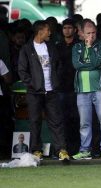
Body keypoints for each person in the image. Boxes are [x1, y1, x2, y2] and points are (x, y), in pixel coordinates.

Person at [18, 20, 70, 161]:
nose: (50, 32)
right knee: (35, 122)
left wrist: (56, 81)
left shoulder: (51, 47)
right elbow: (22, 71)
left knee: (56, 121)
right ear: (40, 32)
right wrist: (34, 85)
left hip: (51, 91)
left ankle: (61, 150)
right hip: (35, 93)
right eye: (47, 30)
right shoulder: (27, 49)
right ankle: (36, 151)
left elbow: (59, 65)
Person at [72, 19, 101, 160]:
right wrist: (94, 64)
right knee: (84, 122)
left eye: (94, 32)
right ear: (81, 33)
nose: (91, 36)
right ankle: (85, 150)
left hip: (100, 88)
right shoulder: (76, 47)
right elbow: (77, 65)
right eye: (88, 33)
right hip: (82, 90)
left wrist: (89, 51)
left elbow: (97, 61)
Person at [56, 18, 80, 156]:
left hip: (77, 87)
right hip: (61, 87)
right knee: (62, 120)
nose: (67, 30)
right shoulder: (57, 46)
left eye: (70, 28)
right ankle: (63, 149)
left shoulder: (79, 45)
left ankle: (76, 149)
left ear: (75, 30)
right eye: (65, 28)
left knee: (76, 120)